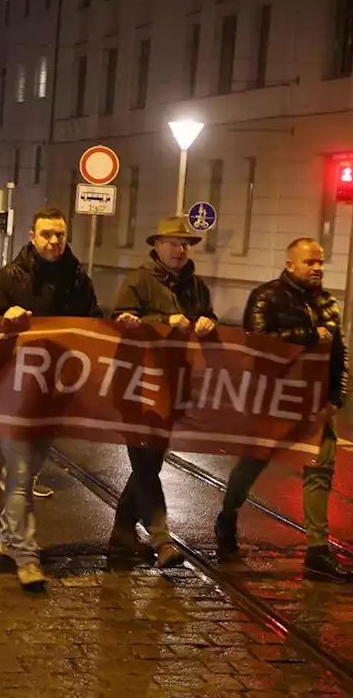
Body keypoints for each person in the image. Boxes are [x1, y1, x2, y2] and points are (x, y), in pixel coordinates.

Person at [0, 206, 103, 590]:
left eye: (59, 234)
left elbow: (92, 324)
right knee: (21, 471)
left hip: (55, 392)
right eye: (46, 234)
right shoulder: (9, 277)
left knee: (27, 469)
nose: (53, 241)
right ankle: (26, 554)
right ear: (32, 235)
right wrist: (2, 318)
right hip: (13, 391)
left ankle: (8, 541)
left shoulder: (78, 278)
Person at [215, 238, 353, 583]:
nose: (317, 268)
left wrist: (336, 399)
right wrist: (309, 334)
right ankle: (228, 519)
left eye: (320, 262)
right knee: (251, 465)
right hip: (273, 401)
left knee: (320, 469)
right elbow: (259, 343)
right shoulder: (266, 297)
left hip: (315, 403)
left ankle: (318, 551)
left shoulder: (328, 303)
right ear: (290, 264)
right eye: (310, 262)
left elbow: (340, 354)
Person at [110, 216, 218, 569]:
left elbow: (209, 322)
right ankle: (162, 539)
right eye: (174, 242)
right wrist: (161, 322)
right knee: (144, 462)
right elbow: (119, 322)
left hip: (174, 388)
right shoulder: (139, 280)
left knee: (150, 462)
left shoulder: (196, 286)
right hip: (139, 387)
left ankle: (122, 534)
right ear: (157, 246)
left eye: (186, 243)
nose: (181, 248)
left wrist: (208, 323)